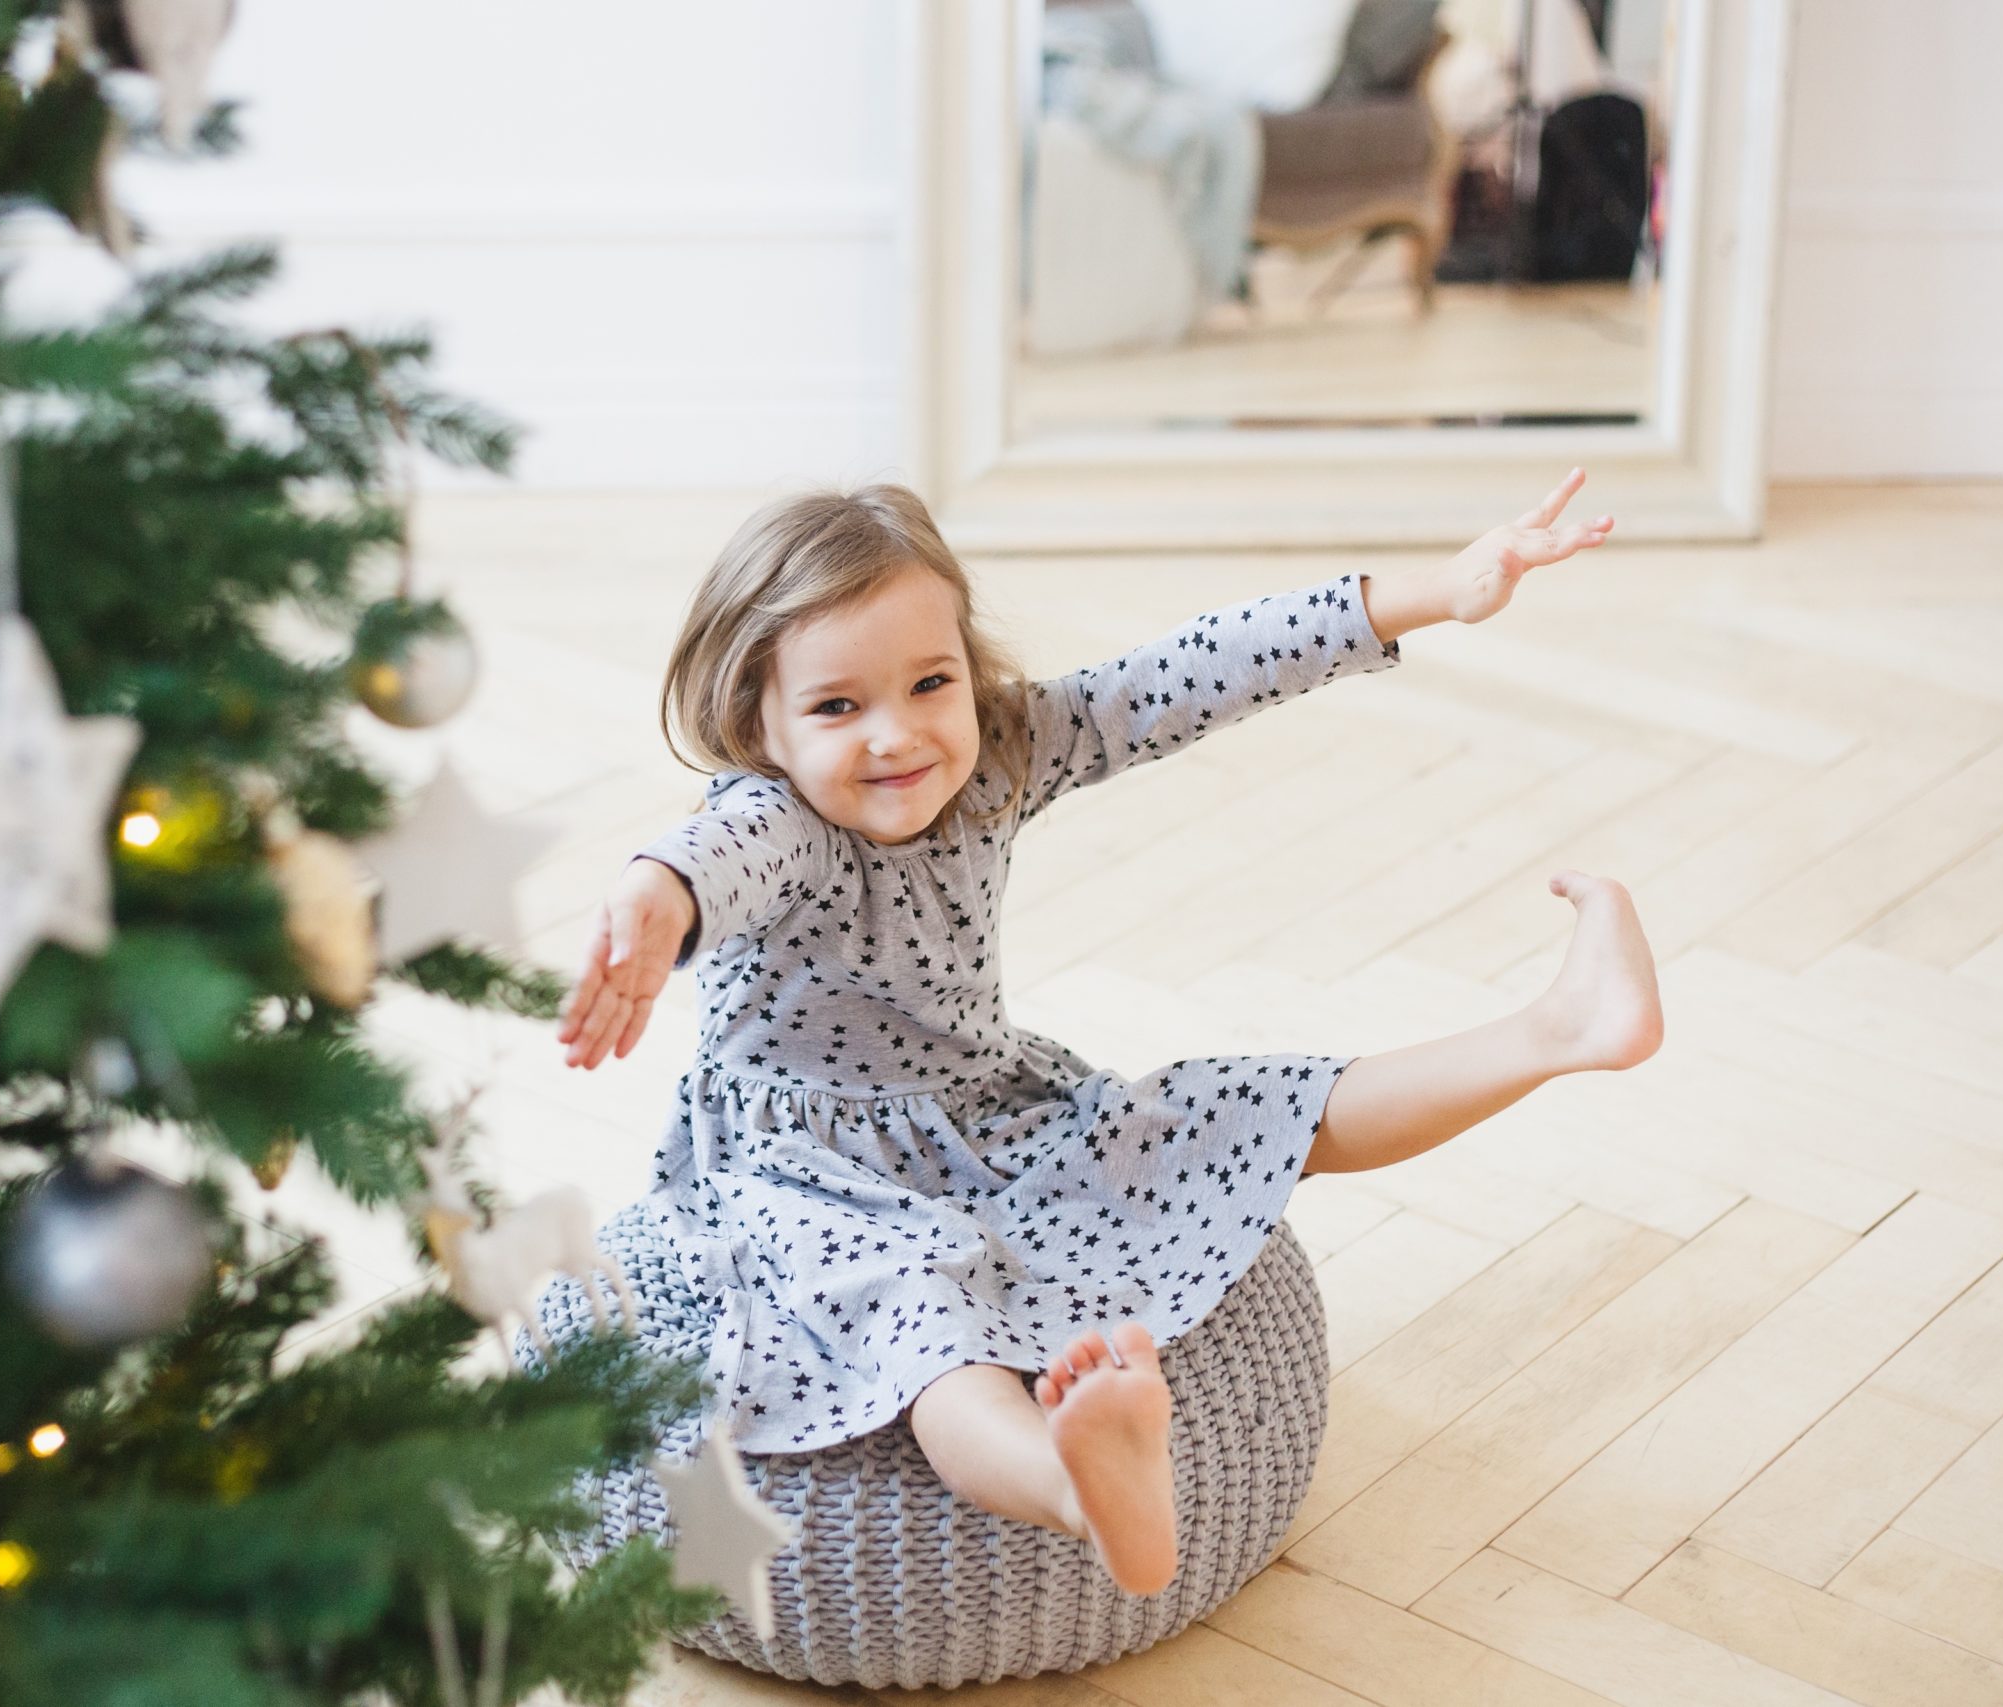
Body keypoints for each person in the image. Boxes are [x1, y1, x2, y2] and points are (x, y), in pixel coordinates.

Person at [555, 470, 1661, 1597]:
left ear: (967, 673)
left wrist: (1440, 590)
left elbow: (1202, 668)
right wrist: (655, 894)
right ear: (759, 723)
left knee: (1240, 1106)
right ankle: (1074, 1486)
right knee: (921, 1321)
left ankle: (1559, 1029)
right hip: (805, 1182)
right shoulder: (776, 816)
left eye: (929, 682)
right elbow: (717, 858)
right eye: (837, 708)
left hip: (984, 1116)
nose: (895, 737)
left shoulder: (1001, 746)